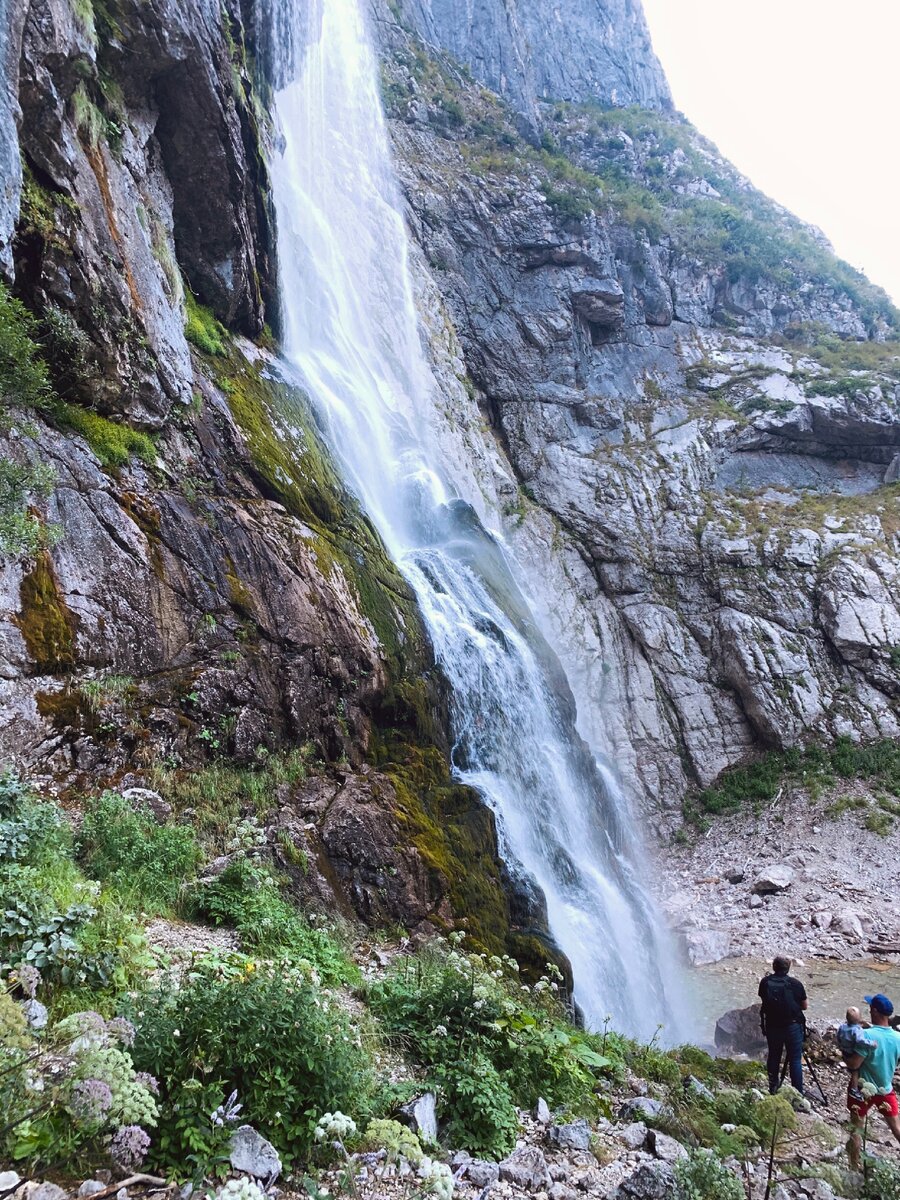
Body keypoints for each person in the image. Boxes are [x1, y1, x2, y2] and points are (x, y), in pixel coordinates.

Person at [847, 994, 900, 1170]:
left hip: (862, 1089)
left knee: (856, 1128)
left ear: (875, 1011)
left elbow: (855, 1063)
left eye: (871, 1007)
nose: (869, 1009)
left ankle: (855, 1167)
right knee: (896, 1128)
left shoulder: (867, 1036)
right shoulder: (898, 1038)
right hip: (886, 1089)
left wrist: (845, 1056)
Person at [758, 954, 808, 1095]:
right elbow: (804, 1006)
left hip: (773, 1025)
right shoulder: (796, 984)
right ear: (788, 968)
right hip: (792, 1026)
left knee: (774, 1055)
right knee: (795, 1059)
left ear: (774, 967)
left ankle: (773, 1087)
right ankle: (797, 1093)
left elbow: (764, 1000)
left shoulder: (765, 982)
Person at [837, 1006, 877, 1102]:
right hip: (852, 1052)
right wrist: (871, 1043)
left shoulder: (842, 1027)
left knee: (853, 1069)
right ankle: (854, 1090)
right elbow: (860, 1040)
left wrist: (841, 1046)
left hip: (844, 1050)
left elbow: (838, 1036)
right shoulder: (856, 1030)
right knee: (855, 1071)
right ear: (859, 1019)